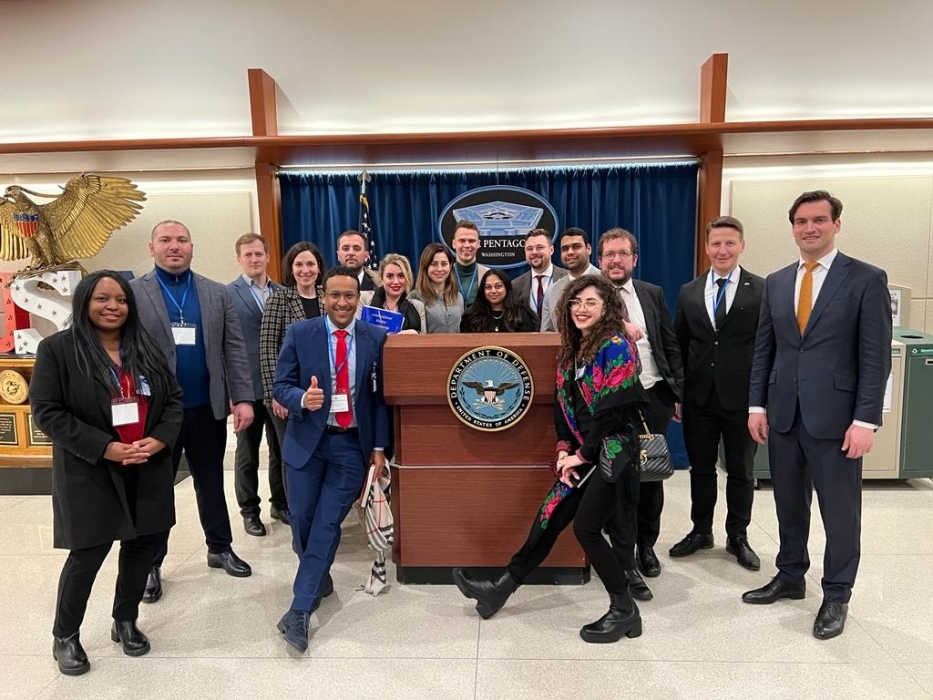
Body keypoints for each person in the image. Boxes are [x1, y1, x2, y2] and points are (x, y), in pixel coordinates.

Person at [453, 275, 649, 643]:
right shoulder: (572, 351)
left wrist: (581, 455)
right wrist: (563, 448)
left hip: (611, 455)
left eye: (591, 302)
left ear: (607, 307)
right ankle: (500, 588)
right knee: (548, 519)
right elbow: (563, 408)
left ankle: (624, 610)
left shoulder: (616, 346)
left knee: (587, 530)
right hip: (578, 454)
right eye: (576, 302)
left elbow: (613, 413)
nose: (581, 309)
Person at [744, 191, 892, 640]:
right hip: (784, 416)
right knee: (789, 505)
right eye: (802, 221)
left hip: (838, 421)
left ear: (836, 225)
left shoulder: (865, 279)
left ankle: (836, 594)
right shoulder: (777, 280)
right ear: (792, 228)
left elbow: (875, 356)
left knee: (839, 514)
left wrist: (866, 419)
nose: (810, 228)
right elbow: (765, 349)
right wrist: (757, 404)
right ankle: (790, 576)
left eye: (819, 220)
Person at [30, 271, 183, 676]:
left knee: (140, 548)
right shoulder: (58, 350)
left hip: (146, 466)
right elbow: (47, 411)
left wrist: (160, 440)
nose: (112, 306)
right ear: (84, 302)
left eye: (120, 299)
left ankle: (125, 619)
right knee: (88, 554)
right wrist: (105, 447)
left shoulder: (143, 347)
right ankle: (65, 635)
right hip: (91, 470)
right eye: (102, 298)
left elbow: (173, 401)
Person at [131, 220, 255, 604]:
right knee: (157, 490)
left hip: (207, 408)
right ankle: (151, 564)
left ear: (192, 246)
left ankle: (220, 547)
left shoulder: (216, 293)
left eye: (181, 240)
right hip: (157, 414)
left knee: (210, 481)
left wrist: (244, 397)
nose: (174, 246)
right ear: (152, 247)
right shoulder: (133, 293)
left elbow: (233, 349)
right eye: (166, 240)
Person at [273, 266, 391, 653]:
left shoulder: (375, 337)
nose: (343, 303)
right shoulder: (300, 333)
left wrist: (379, 448)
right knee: (302, 521)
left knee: (326, 523)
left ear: (360, 298)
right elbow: (281, 385)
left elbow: (378, 400)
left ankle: (299, 610)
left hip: (350, 446)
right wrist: (301, 400)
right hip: (307, 440)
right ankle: (319, 577)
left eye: (350, 296)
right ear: (323, 296)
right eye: (336, 296)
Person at [671, 217, 763, 570]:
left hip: (742, 398)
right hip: (698, 397)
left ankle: (737, 536)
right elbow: (680, 344)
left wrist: (762, 401)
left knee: (741, 470)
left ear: (741, 246)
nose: (722, 250)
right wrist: (677, 392)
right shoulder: (689, 291)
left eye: (729, 243)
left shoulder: (762, 290)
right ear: (707, 247)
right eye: (716, 244)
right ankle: (701, 531)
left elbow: (767, 347)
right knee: (701, 469)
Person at [597, 228, 683, 583]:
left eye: (622, 253)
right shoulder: (588, 297)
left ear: (634, 258)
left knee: (651, 476)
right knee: (618, 477)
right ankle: (623, 549)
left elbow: (669, 343)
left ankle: (647, 546)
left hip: (653, 395)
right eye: (609, 254)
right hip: (613, 402)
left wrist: (677, 393)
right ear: (599, 261)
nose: (616, 260)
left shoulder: (652, 293)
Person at [226, 233, 287, 537]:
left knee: (281, 451)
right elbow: (224, 346)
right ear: (239, 259)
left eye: (258, 254)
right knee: (247, 454)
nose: (254, 259)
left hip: (279, 389)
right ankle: (250, 512)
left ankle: (280, 503)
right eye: (247, 255)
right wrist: (233, 395)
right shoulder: (227, 295)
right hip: (247, 390)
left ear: (267, 256)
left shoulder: (284, 293)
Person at [260, 242, 328, 454]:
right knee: (291, 455)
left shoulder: (328, 298)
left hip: (322, 390)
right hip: (288, 391)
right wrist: (276, 396)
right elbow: (268, 349)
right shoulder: (278, 299)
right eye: (299, 264)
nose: (305, 270)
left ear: (319, 267)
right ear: (291, 268)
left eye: (310, 264)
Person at [540, 227, 600, 331]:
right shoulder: (552, 292)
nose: (570, 252)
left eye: (576, 247)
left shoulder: (607, 282)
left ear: (588, 249)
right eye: (565, 249)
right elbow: (546, 334)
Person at [359, 253, 426, 333]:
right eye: (390, 276)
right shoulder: (363, 299)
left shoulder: (418, 307)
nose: (396, 282)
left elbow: (424, 340)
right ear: (381, 278)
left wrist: (416, 334)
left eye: (401, 276)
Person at [511, 228, 568, 319]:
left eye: (539, 247)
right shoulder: (515, 285)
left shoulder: (568, 279)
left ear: (551, 250)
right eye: (529, 248)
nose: (534, 252)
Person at [460, 269, 538, 333]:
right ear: (482, 291)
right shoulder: (470, 317)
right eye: (488, 287)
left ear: (506, 288)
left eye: (498, 286)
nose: (493, 291)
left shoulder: (520, 314)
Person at [409, 242, 464, 333]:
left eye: (444, 264)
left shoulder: (458, 297)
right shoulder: (414, 297)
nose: (439, 269)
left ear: (450, 266)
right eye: (434, 264)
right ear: (425, 267)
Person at [451, 220, 489, 306]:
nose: (467, 245)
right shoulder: (443, 275)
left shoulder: (488, 275)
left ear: (478, 244)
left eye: (471, 241)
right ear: (454, 244)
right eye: (462, 240)